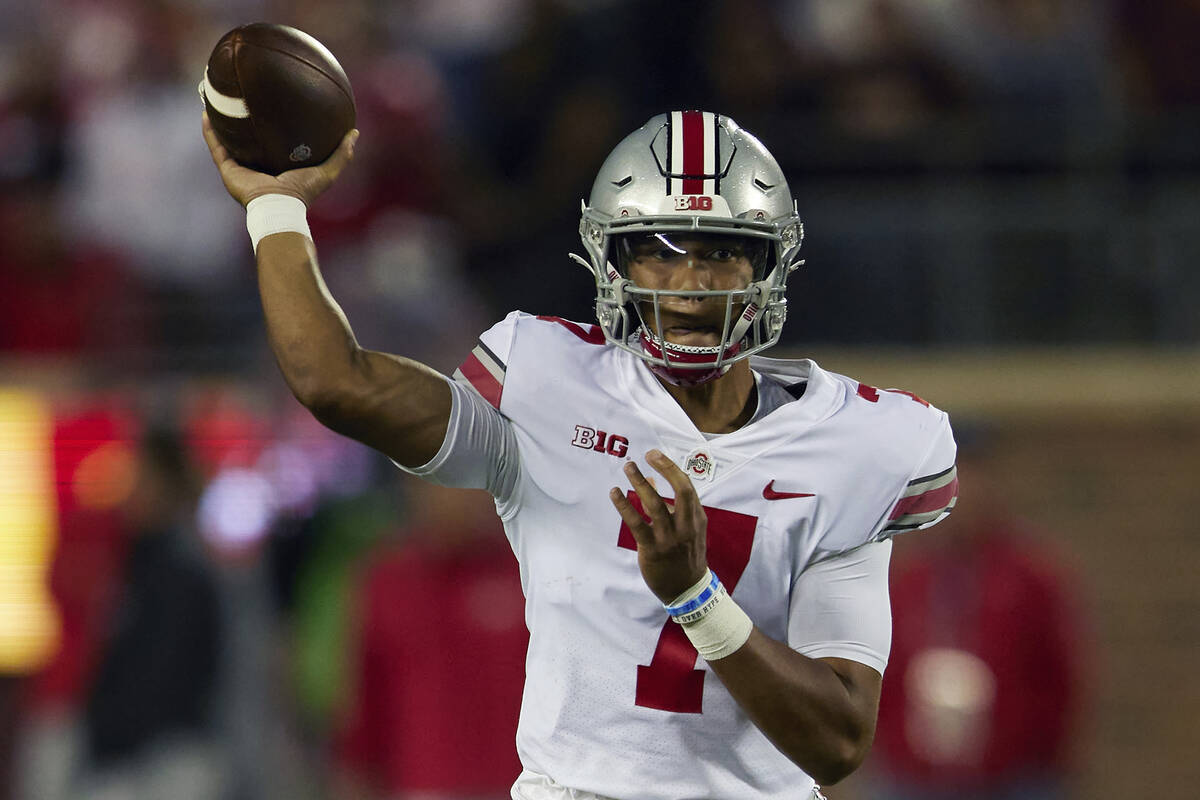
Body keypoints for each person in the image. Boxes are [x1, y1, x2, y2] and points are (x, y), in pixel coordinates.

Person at [202, 107, 957, 800]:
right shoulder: (546, 382)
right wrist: (275, 208)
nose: (690, 283)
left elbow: (838, 740)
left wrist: (694, 596)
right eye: (659, 253)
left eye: (722, 252)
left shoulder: (856, 445)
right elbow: (335, 382)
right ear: (613, 262)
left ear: (768, 269)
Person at [867, 426, 1086, 800]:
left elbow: (1059, 677)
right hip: (913, 778)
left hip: (1012, 778)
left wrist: (1035, 754)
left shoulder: (1032, 578)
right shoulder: (907, 582)